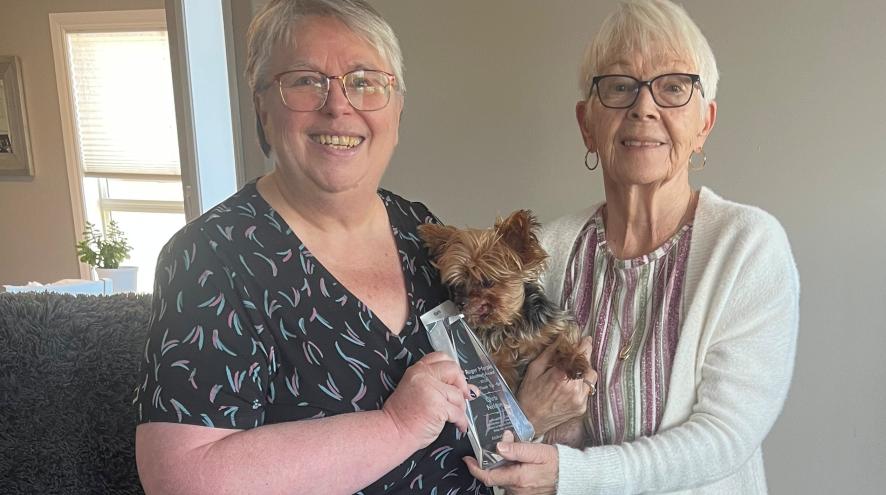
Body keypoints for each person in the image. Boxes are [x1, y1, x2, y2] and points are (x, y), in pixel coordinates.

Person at [133, 1, 488, 493]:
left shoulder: (420, 228)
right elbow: (184, 479)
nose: (339, 105)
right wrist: (395, 426)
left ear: (397, 108)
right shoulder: (207, 259)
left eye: (365, 82)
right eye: (305, 80)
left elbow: (470, 390)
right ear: (262, 106)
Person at [466, 1, 800, 493]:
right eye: (620, 87)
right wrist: (528, 416)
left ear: (704, 122)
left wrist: (574, 476)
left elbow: (726, 437)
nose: (644, 107)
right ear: (587, 123)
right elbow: (491, 417)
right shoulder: (546, 254)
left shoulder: (746, 247)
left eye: (672, 87)